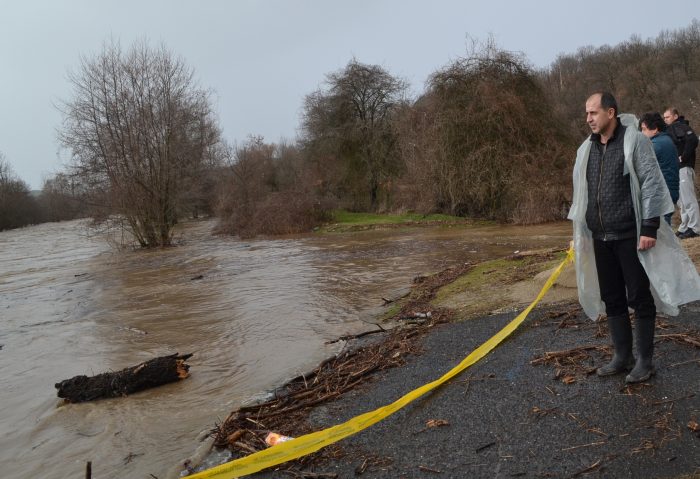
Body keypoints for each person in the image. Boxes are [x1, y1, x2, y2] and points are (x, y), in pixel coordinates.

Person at [568, 92, 700, 384]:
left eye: (593, 112)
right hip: (601, 236)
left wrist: (650, 227)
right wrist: (582, 233)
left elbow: (652, 182)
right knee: (612, 297)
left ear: (610, 112)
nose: (588, 119)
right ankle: (622, 356)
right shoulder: (587, 149)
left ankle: (644, 361)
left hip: (630, 234)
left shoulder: (634, 141)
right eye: (586, 113)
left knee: (639, 297)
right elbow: (583, 194)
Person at [663, 108, 700, 238]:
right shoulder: (671, 129)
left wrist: (683, 157)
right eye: (664, 117)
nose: (665, 120)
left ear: (675, 116)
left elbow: (693, 139)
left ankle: (695, 228)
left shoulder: (680, 126)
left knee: (688, 199)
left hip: (684, 168)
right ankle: (685, 226)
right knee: (681, 201)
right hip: (677, 169)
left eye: (667, 117)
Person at [639, 112, 679, 225]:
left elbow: (639, 163)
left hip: (662, 194)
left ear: (655, 129)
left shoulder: (656, 144)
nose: (641, 133)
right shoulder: (666, 140)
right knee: (664, 228)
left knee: (661, 230)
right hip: (669, 192)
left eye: (644, 129)